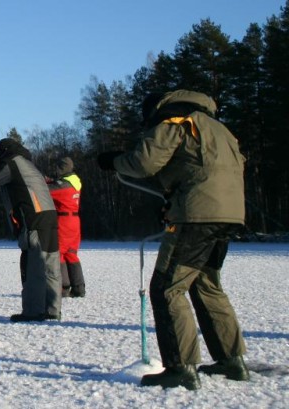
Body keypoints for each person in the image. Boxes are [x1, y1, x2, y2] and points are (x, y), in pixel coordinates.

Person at [97, 90, 249, 390]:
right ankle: (232, 361)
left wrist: (114, 161)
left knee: (167, 288)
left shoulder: (176, 119)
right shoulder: (219, 128)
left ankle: (181, 368)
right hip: (229, 213)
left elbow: (144, 162)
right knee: (207, 285)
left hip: (196, 215)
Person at [0, 138, 61, 322]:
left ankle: (33, 311)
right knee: (50, 265)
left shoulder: (12, 162)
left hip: (34, 218)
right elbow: (9, 195)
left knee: (33, 264)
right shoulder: (27, 165)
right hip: (49, 216)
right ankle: (52, 310)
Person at [48, 156, 86, 298]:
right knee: (72, 254)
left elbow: (47, 190)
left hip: (63, 221)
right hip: (74, 221)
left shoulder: (62, 185)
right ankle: (79, 288)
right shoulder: (75, 182)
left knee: (60, 253)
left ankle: (63, 288)